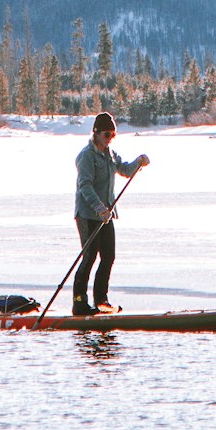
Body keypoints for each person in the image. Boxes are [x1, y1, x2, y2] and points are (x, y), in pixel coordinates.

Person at [72, 111, 149, 316]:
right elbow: (85, 186)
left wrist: (139, 162)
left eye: (112, 135)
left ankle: (101, 300)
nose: (109, 139)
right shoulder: (86, 156)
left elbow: (124, 169)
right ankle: (79, 301)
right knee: (89, 257)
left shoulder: (110, 155)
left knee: (108, 256)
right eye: (107, 135)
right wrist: (101, 209)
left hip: (106, 216)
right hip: (88, 215)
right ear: (96, 133)